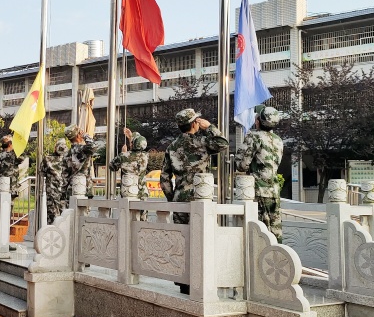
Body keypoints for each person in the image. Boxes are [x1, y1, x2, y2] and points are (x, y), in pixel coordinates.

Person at [159, 109, 228, 294]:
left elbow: (164, 178)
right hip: (200, 199)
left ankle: (184, 283)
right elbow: (223, 144)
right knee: (203, 240)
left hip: (180, 199)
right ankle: (202, 280)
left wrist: (172, 198)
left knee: (182, 242)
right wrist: (210, 127)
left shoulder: (172, 146)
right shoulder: (202, 141)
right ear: (194, 123)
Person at [235, 106, 284, 242]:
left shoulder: (254, 136)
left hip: (258, 189)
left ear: (259, 121)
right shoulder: (278, 140)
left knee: (260, 232)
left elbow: (241, 165)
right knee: (275, 232)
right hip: (274, 190)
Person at [109, 127, 149, 200]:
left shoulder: (124, 156)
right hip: (142, 192)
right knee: (141, 211)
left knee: (127, 211)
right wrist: (131, 137)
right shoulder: (146, 156)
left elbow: (112, 166)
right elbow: (137, 147)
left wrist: (123, 153)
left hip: (129, 191)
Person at [65, 124, 103, 198]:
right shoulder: (82, 149)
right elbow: (93, 146)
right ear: (78, 135)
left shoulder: (68, 152)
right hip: (83, 188)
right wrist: (86, 136)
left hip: (71, 188)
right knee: (82, 209)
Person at [39, 138, 69, 224]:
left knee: (52, 216)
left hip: (51, 192)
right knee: (65, 216)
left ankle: (52, 234)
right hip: (64, 192)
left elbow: (41, 173)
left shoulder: (47, 159)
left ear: (55, 147)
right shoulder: (68, 159)